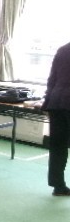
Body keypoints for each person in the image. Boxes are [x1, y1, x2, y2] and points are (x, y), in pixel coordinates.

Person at [42, 42, 70, 196]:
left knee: (58, 146)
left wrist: (47, 102)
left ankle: (58, 186)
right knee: (59, 146)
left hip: (56, 103)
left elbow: (52, 79)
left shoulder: (63, 49)